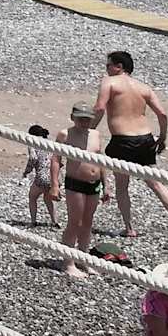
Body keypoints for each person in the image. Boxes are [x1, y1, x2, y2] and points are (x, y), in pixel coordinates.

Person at [94, 50, 168, 240]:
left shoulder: (109, 82)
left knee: (122, 186)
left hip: (122, 140)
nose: (106, 69)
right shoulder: (144, 87)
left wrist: (90, 130)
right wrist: (163, 138)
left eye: (108, 65)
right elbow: (162, 114)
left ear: (119, 66)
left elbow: (100, 108)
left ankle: (129, 228)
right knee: (156, 183)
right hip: (145, 139)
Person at [58, 103, 105, 277]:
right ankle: (68, 262)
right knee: (74, 223)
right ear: (73, 118)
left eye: (87, 119)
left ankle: (83, 259)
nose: (84, 122)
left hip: (94, 183)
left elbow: (100, 160)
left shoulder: (95, 134)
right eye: (81, 119)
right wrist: (54, 184)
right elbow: (56, 159)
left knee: (87, 223)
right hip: (75, 182)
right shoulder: (65, 134)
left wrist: (106, 184)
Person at [24, 124, 59, 228]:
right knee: (48, 198)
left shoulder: (33, 144)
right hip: (54, 177)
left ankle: (33, 221)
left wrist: (27, 171)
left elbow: (33, 158)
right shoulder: (50, 143)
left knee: (32, 197)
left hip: (42, 176)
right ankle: (55, 222)